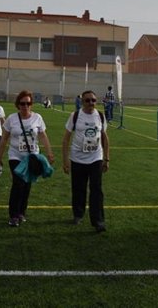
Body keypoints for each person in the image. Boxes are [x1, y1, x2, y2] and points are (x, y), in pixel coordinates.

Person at [0, 90, 54, 227]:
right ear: (18, 104)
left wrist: (49, 152)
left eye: (28, 103)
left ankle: (22, 212)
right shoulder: (11, 119)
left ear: (31, 104)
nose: (25, 106)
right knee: (18, 184)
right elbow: (4, 139)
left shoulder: (37, 118)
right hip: (15, 156)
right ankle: (14, 215)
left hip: (32, 157)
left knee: (27, 185)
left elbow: (43, 136)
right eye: (22, 103)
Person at [62, 90, 109, 233]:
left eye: (94, 100)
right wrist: (65, 160)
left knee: (96, 190)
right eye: (88, 100)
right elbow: (66, 139)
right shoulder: (75, 116)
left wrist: (106, 158)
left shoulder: (100, 116)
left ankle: (98, 221)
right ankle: (78, 213)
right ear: (82, 102)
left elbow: (105, 138)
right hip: (77, 159)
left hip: (95, 158)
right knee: (78, 189)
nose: (91, 103)